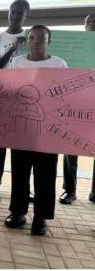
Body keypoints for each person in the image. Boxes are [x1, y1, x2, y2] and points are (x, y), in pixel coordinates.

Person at [5, 25, 67, 235]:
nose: (36, 41)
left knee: (46, 175)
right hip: (21, 133)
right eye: (32, 37)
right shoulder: (17, 62)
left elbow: (65, 98)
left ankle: (40, 218)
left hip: (48, 133)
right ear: (28, 40)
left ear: (49, 40)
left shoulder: (59, 64)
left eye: (41, 38)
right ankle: (18, 213)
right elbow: (6, 89)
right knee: (19, 173)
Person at [0, 0, 30, 199]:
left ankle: (24, 187)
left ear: (25, 16)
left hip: (25, 95)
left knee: (23, 143)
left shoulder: (32, 37)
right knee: (0, 140)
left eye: (20, 13)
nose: (16, 16)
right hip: (2, 94)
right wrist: (13, 49)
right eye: (13, 12)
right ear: (8, 13)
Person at [59, 12, 95, 204]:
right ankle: (69, 190)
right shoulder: (73, 45)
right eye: (88, 20)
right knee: (70, 146)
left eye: (94, 20)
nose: (91, 23)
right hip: (75, 102)